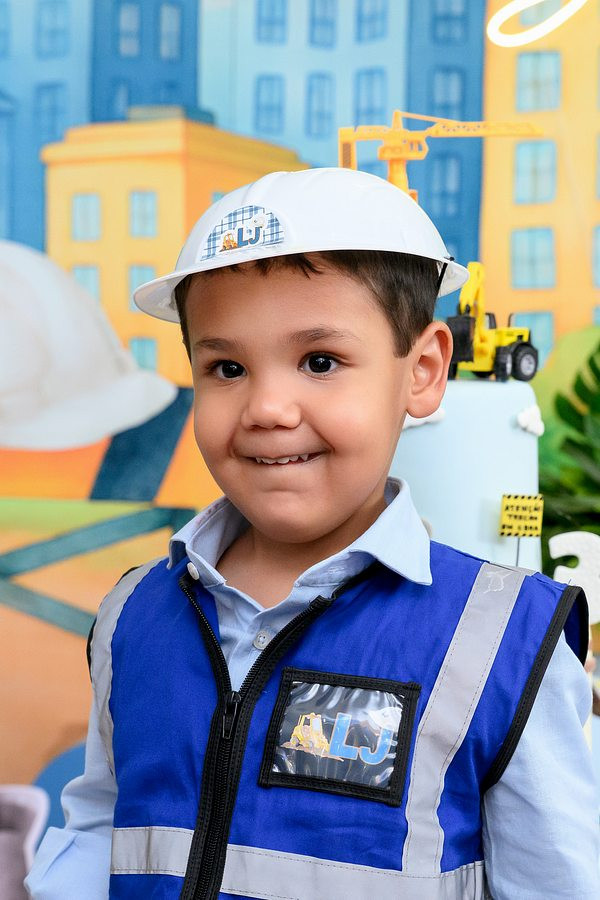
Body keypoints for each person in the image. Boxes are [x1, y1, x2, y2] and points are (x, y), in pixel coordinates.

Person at [26, 168, 599, 899]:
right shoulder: (133, 614)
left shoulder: (504, 638)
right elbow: (98, 835)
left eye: (320, 362)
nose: (268, 407)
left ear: (423, 371)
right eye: (227, 367)